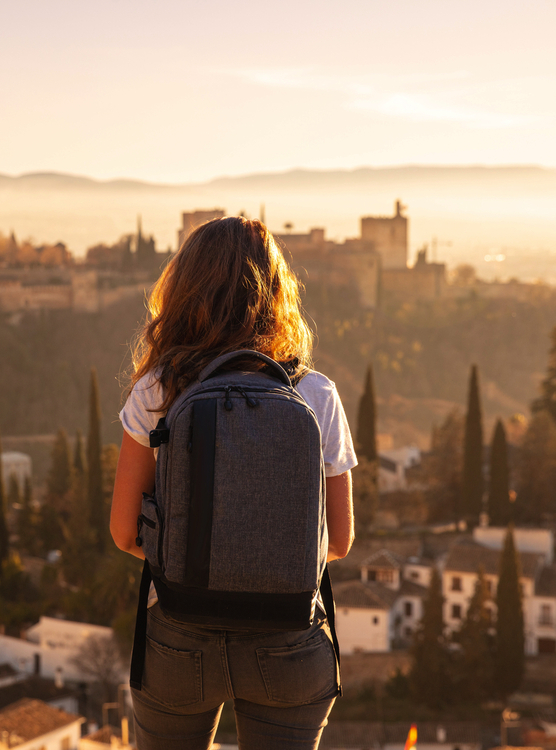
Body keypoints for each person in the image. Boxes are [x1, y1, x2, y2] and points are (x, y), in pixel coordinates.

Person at [110, 216, 357, 750]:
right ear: (276, 293)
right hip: (290, 642)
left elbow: (125, 531)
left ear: (184, 290)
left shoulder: (158, 389)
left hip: (179, 633)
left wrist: (197, 565)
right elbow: (337, 543)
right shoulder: (315, 394)